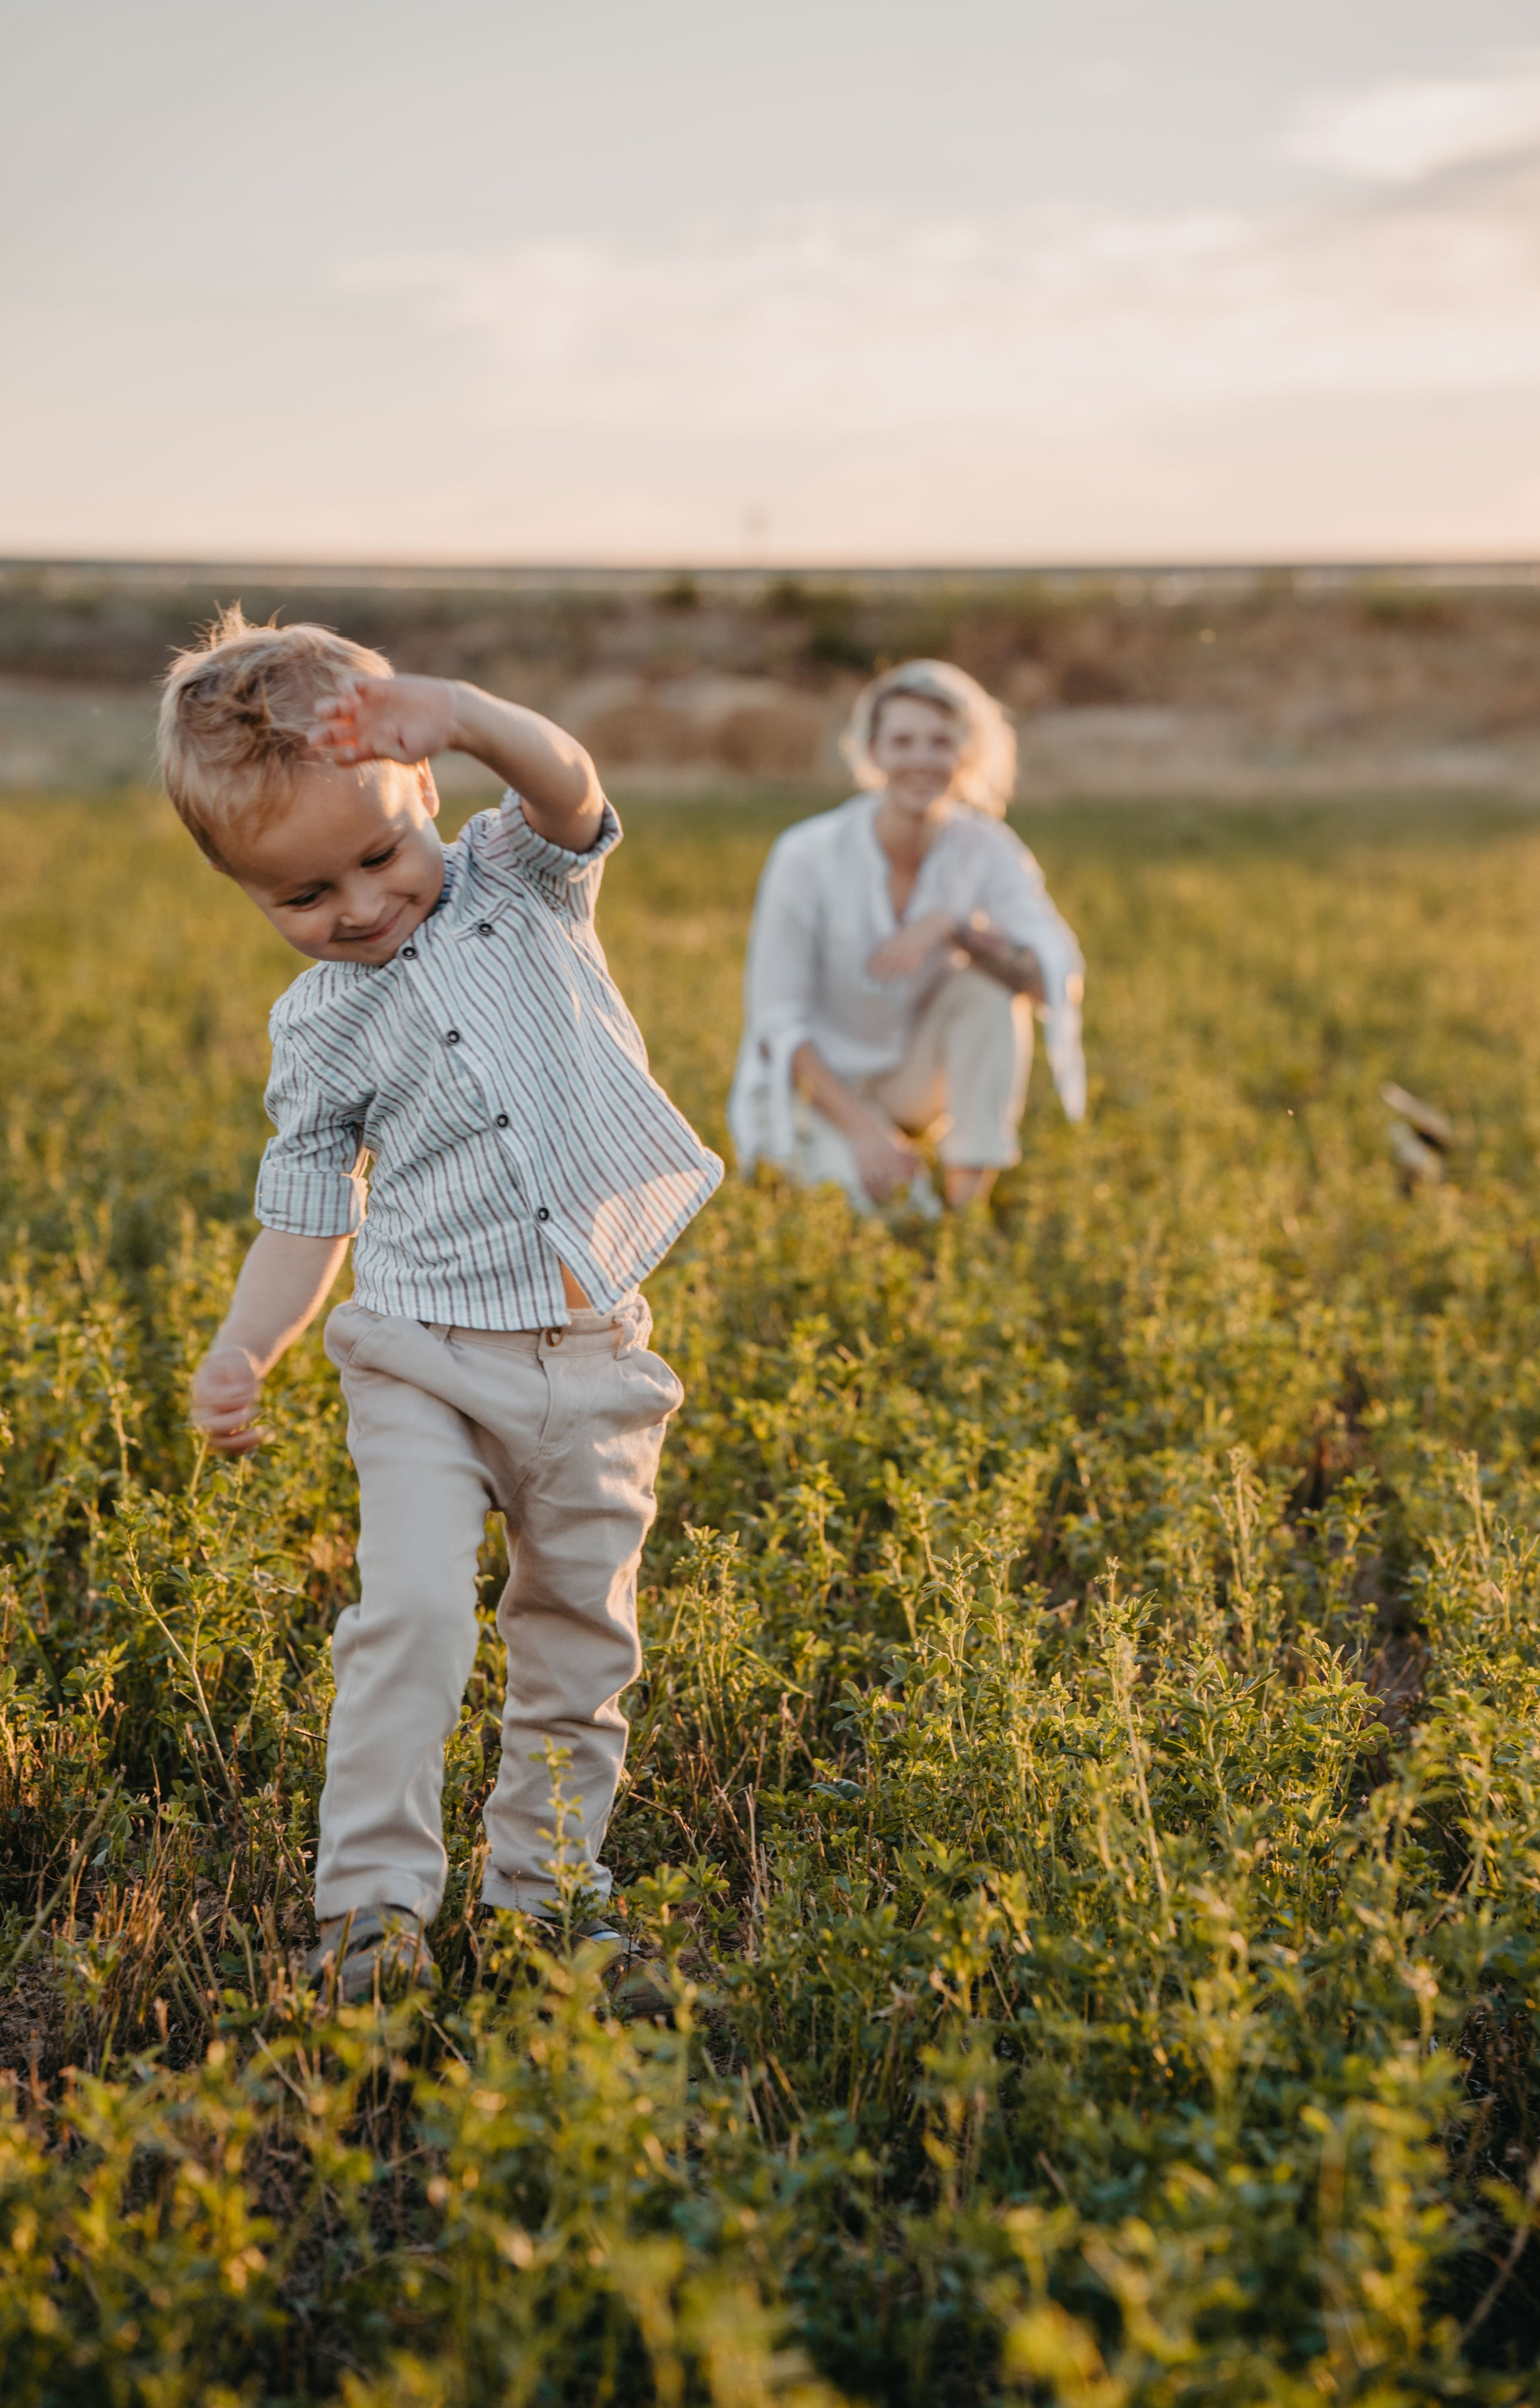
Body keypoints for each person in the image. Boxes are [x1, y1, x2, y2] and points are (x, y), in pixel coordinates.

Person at [159, 610, 722, 2001]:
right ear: (247, 896)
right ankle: (368, 1921)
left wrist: (464, 711)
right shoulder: (321, 1025)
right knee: (412, 1616)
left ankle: (546, 1900)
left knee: (580, 1642)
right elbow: (306, 1211)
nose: (355, 906)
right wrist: (247, 1347)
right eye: (301, 897)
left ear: (422, 791)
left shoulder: (514, 882)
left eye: (374, 855)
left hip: (593, 1352)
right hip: (415, 1356)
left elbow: (569, 785)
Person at [728, 658, 1085, 1212]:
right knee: (894, 1211)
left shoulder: (987, 848)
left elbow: (1057, 979)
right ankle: (897, 1186)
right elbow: (776, 1023)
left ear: (966, 753)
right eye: (903, 742)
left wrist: (959, 930)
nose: (922, 760)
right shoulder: (806, 854)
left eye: (940, 742)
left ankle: (967, 1208)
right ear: (872, 753)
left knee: (990, 991)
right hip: (812, 1091)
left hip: (905, 1083)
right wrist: (866, 1135)